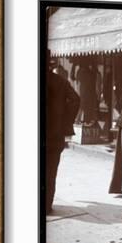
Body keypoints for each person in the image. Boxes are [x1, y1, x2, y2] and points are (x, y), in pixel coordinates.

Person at [45, 64, 81, 213]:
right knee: (51, 172)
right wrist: (65, 120)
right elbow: (75, 100)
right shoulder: (60, 81)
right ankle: (46, 205)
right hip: (54, 135)